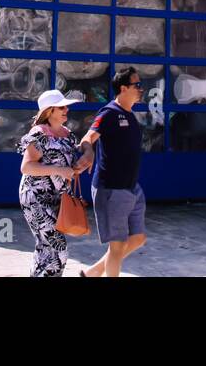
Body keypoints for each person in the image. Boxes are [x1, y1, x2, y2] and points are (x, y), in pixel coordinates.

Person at [17, 89, 94, 277]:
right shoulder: (39, 134)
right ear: (49, 111)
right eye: (61, 107)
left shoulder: (67, 134)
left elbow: (73, 153)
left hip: (57, 198)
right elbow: (26, 167)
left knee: (45, 250)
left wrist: (84, 157)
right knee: (58, 250)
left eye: (66, 106)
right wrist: (59, 170)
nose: (66, 109)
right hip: (36, 199)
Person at [80, 67, 147, 277]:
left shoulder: (130, 114)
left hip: (131, 188)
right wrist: (89, 152)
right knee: (117, 247)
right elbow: (88, 137)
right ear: (124, 88)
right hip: (111, 189)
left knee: (137, 238)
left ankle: (92, 273)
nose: (141, 89)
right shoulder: (109, 113)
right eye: (137, 85)